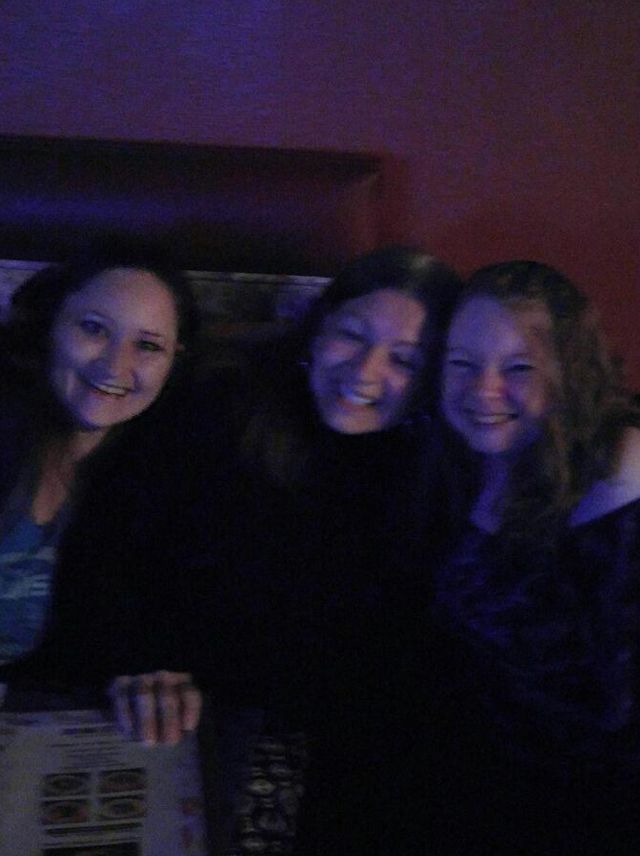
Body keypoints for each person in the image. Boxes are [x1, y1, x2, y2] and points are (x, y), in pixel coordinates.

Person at [179, 245, 464, 853]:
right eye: (352, 336)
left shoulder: (435, 470)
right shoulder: (223, 403)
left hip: (346, 740)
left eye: (405, 360)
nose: (365, 371)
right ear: (317, 327)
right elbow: (146, 556)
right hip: (204, 707)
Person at [421, 260, 640, 853]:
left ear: (569, 372)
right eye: (462, 363)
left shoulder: (619, 474)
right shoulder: (461, 457)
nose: (482, 389)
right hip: (483, 774)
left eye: (519, 367)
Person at [0, 242, 202, 745]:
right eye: (94, 329)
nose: (115, 366)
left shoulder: (157, 473)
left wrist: (152, 669)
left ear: (173, 362)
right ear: (48, 327)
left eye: (148, 346)